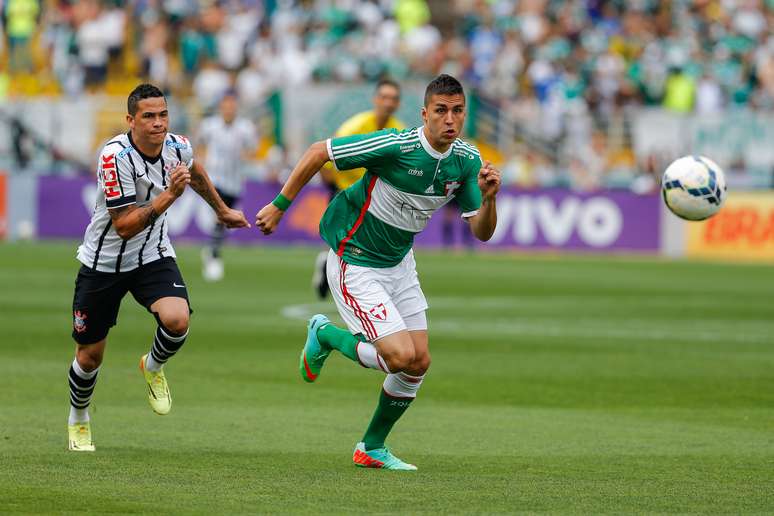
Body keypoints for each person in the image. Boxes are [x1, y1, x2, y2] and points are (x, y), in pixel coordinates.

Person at [256, 74, 501, 470]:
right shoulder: (396, 144)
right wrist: (280, 205)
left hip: (400, 263)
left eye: (458, 111)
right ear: (425, 114)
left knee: (419, 362)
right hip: (356, 259)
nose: (450, 119)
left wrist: (490, 200)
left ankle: (370, 447)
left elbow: (482, 232)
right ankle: (327, 335)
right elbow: (320, 151)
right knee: (400, 356)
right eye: (441, 110)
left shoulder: (467, 160)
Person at [67, 84, 250, 452]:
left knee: (178, 320)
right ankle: (79, 417)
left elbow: (194, 171)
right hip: (104, 262)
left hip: (152, 255)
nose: (158, 123)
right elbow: (123, 225)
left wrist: (221, 210)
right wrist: (169, 196)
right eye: (148, 116)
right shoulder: (113, 156)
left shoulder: (178, 146)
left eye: (163, 114)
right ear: (130, 120)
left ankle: (151, 365)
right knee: (90, 356)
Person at [312, 78, 403, 299]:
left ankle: (335, 269)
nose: (388, 103)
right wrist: (333, 188)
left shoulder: (399, 131)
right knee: (342, 244)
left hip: (377, 199)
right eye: (384, 97)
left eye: (393, 98)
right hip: (347, 194)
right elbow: (325, 158)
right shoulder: (355, 128)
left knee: (368, 246)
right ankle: (332, 272)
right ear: (375, 99)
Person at [197, 90, 258, 281]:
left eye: (232, 105)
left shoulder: (245, 127)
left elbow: (253, 148)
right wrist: (202, 160)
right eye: (226, 105)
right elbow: (199, 143)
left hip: (234, 180)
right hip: (214, 178)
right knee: (220, 215)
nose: (229, 109)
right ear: (221, 107)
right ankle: (214, 256)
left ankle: (211, 250)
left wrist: (246, 157)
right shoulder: (210, 126)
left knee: (225, 220)